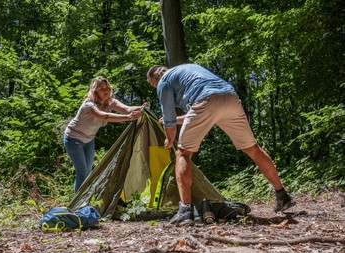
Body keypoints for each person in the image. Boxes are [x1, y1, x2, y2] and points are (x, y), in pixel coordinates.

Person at [146, 63, 295, 226]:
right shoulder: (187, 69)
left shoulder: (164, 81)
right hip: (230, 97)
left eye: (153, 84)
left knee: (183, 154)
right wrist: (177, 121)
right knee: (253, 148)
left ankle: (185, 211)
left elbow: (170, 118)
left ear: (157, 76)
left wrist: (169, 139)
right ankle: (282, 195)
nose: (156, 87)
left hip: (205, 100)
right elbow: (202, 111)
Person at [64, 76, 146, 193]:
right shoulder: (88, 104)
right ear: (95, 91)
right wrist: (127, 118)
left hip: (89, 140)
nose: (106, 90)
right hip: (73, 138)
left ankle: (83, 199)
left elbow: (128, 109)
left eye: (107, 87)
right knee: (82, 172)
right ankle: (76, 203)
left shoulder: (110, 102)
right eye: (101, 89)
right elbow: (104, 116)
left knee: (88, 172)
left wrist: (142, 108)